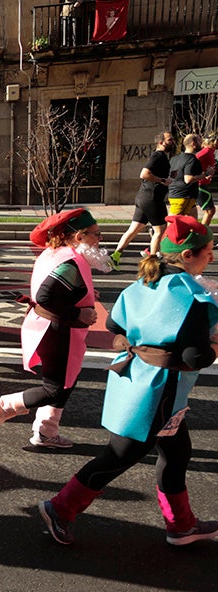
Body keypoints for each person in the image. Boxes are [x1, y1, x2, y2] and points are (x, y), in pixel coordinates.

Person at [38, 216, 218, 546]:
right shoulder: (191, 297)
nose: (213, 256)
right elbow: (196, 357)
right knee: (119, 456)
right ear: (189, 255)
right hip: (160, 392)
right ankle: (60, 508)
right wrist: (215, 345)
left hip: (137, 378)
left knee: (177, 453)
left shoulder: (144, 282)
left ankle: (181, 525)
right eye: (209, 250)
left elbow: (115, 326)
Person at [0, 209, 108, 448]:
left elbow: (58, 289)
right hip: (59, 330)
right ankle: (0, 406)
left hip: (54, 328)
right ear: (79, 237)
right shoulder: (71, 261)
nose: (100, 239)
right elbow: (45, 295)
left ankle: (46, 432)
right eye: (96, 234)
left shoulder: (58, 253)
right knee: (54, 388)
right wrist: (77, 312)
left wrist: (85, 295)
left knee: (65, 383)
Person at [111, 132, 175, 267]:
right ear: (161, 142)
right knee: (160, 230)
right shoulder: (158, 156)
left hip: (144, 197)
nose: (173, 142)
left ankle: (115, 256)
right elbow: (144, 174)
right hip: (152, 198)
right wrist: (163, 180)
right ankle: (152, 261)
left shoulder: (162, 157)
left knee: (134, 229)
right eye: (170, 140)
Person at [167, 133, 206, 221]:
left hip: (179, 195)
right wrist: (204, 174)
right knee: (172, 227)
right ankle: (157, 233)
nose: (202, 144)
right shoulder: (192, 159)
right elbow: (188, 179)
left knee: (193, 224)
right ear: (193, 144)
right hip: (182, 198)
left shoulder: (174, 159)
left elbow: (172, 177)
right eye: (200, 142)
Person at [195, 134, 216, 227]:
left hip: (203, 183)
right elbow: (193, 161)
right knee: (209, 210)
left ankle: (203, 235)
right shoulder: (206, 151)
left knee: (210, 211)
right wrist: (201, 175)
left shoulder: (211, 152)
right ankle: (202, 235)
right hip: (200, 184)